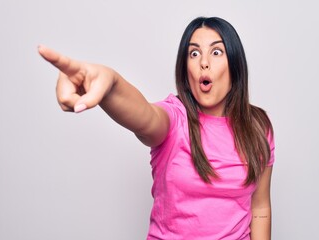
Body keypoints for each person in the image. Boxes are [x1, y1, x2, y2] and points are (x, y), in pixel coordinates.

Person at [38, 16, 275, 240]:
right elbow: (145, 116)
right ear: (185, 69)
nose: (204, 62)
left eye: (216, 52)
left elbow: (260, 206)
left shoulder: (257, 126)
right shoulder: (175, 117)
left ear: (234, 63)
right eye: (194, 53)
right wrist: (109, 83)